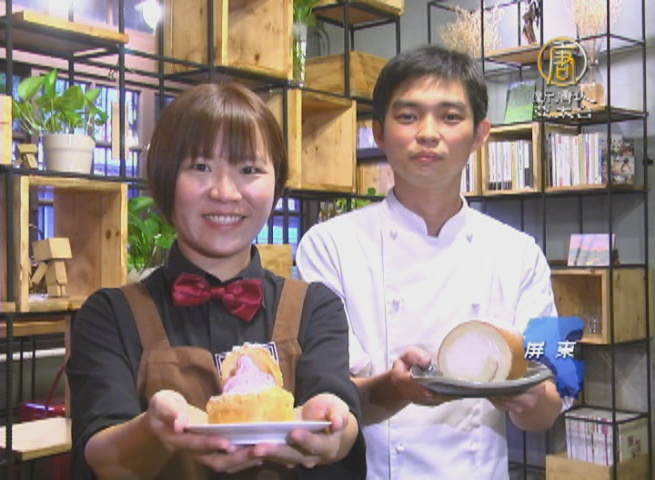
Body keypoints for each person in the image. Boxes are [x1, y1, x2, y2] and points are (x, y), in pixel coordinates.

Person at [67, 83, 365, 479]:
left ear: (277, 184)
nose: (225, 192)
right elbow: (99, 451)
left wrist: (334, 429)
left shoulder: (315, 307)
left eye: (249, 170)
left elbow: (340, 414)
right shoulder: (110, 314)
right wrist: (153, 428)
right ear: (165, 178)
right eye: (201, 167)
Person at [296, 45, 565, 480]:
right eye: (407, 116)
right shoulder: (327, 246)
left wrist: (528, 398)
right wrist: (395, 388)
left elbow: (552, 400)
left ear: (480, 135)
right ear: (378, 132)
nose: (427, 133)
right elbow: (330, 399)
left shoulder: (521, 253)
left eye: (450, 117)